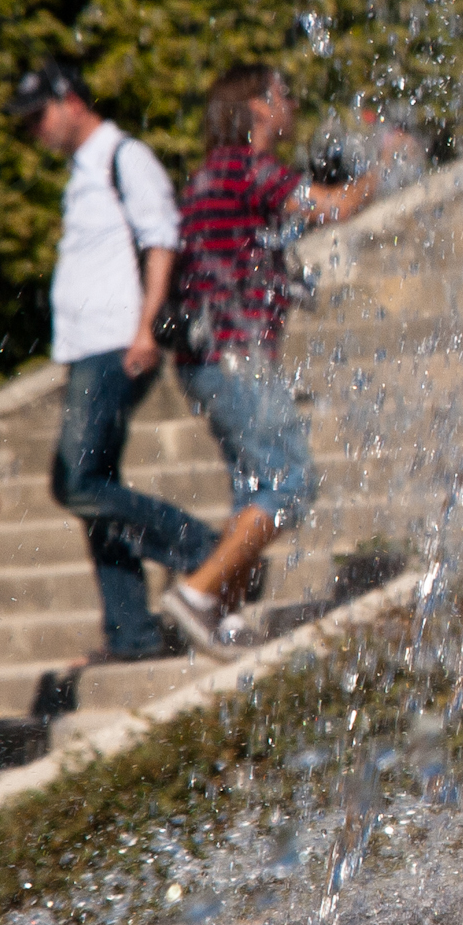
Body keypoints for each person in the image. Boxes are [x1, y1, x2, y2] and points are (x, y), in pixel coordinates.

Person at [158, 66, 393, 658]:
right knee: (290, 483)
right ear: (259, 109)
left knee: (254, 488)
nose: (292, 106)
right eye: (284, 96)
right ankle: (196, 593)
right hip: (232, 356)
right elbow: (336, 207)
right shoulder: (248, 167)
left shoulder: (213, 173)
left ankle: (222, 611)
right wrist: (387, 159)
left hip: (206, 358)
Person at [11, 63, 216, 663]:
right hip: (88, 347)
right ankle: (132, 634)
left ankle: (200, 548)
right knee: (91, 485)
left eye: (37, 117)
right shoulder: (84, 170)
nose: (34, 132)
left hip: (118, 343)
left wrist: (147, 327)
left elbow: (161, 240)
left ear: (69, 100)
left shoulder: (125, 157)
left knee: (76, 483)